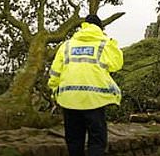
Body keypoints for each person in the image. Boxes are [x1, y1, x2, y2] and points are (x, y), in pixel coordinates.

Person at [47, 14, 123, 156]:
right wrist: (111, 42)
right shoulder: (104, 43)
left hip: (69, 99)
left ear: (83, 27)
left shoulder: (67, 45)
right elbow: (117, 64)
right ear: (100, 28)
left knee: (74, 140)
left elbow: (55, 73)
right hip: (94, 100)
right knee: (97, 140)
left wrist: (54, 92)